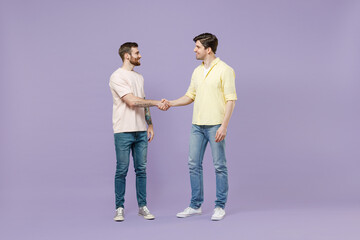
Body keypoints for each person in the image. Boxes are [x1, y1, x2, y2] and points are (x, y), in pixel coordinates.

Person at [161, 33, 237, 221]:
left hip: (215, 125)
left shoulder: (225, 70)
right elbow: (190, 96)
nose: (195, 50)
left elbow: (231, 100)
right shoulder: (196, 71)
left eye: (198, 47)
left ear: (208, 49)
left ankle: (219, 206)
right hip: (197, 125)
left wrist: (224, 126)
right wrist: (170, 103)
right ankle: (195, 205)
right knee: (193, 164)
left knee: (219, 166)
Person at [109, 42, 168, 222]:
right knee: (122, 170)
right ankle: (119, 207)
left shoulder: (139, 77)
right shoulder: (116, 76)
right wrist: (157, 102)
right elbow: (132, 102)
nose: (140, 55)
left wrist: (150, 124)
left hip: (141, 131)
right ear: (127, 55)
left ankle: (143, 206)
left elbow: (142, 102)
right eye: (137, 53)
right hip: (123, 131)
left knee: (141, 170)